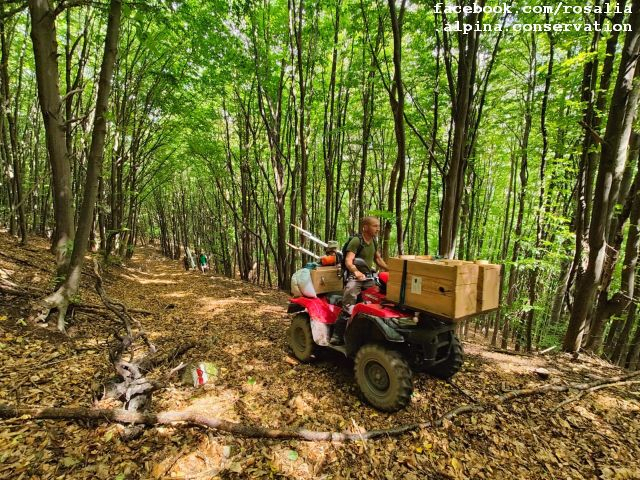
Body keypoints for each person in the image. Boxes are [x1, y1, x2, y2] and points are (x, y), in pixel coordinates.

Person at [330, 217, 388, 345]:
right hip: (355, 277)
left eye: (378, 226)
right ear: (365, 227)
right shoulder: (356, 241)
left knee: (379, 298)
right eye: (375, 226)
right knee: (348, 305)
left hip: (368, 277)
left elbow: (377, 259)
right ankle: (337, 335)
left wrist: (391, 269)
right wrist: (356, 272)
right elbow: (348, 261)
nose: (378, 229)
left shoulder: (373, 241)